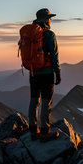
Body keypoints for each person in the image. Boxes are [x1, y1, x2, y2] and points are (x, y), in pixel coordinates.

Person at [28, 8, 61, 142]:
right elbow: (54, 55)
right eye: (49, 18)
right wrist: (57, 72)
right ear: (45, 19)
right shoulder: (49, 34)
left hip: (33, 72)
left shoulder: (30, 34)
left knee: (34, 100)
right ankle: (45, 131)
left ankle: (32, 131)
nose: (50, 20)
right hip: (47, 73)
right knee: (46, 101)